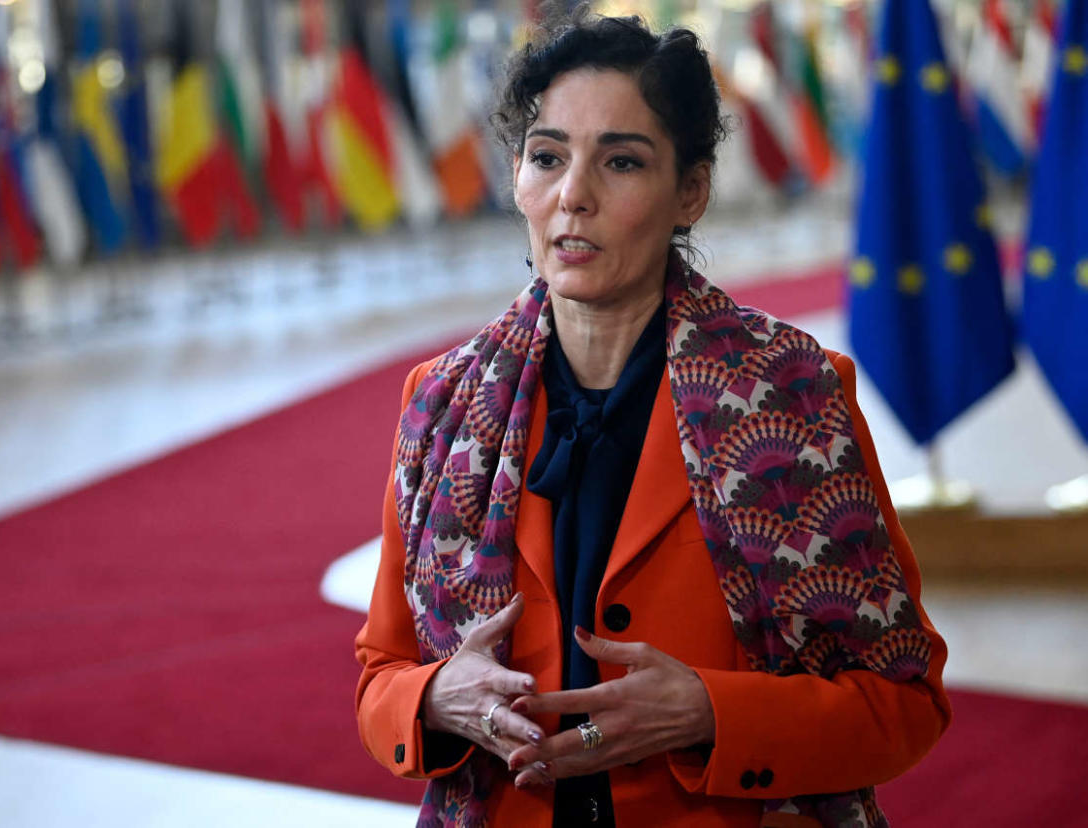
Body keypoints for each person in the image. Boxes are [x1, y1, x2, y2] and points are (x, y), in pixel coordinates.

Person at [355, 10, 950, 828]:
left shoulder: (795, 391)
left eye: (622, 161)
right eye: (547, 157)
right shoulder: (441, 402)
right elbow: (379, 675)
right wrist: (433, 696)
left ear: (691, 191)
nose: (574, 196)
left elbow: (903, 700)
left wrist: (714, 713)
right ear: (518, 180)